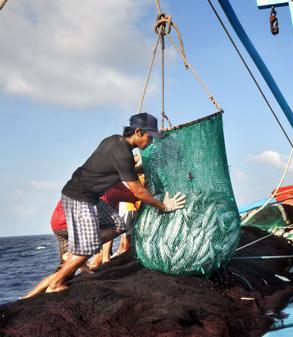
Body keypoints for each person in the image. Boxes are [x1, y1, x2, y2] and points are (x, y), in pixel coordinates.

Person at [24, 112, 186, 298]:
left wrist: (140, 168)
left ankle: (75, 252)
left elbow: (118, 169)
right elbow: (138, 191)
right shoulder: (123, 154)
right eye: (149, 137)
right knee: (87, 249)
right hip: (80, 198)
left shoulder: (114, 141)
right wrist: (164, 206)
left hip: (90, 197)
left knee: (118, 225)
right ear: (139, 132)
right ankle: (56, 282)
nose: (150, 142)